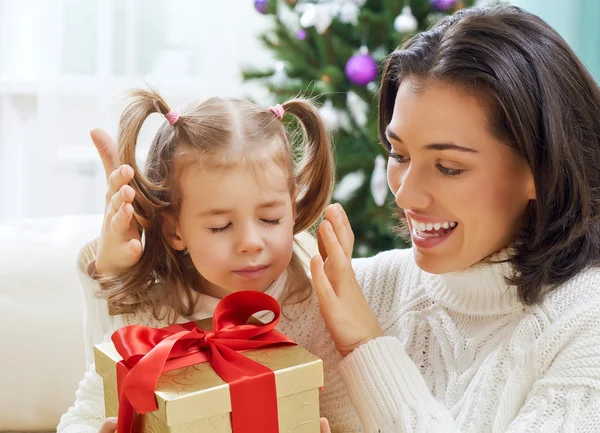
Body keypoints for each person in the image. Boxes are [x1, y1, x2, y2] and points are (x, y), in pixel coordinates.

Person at [312, 4, 600, 432]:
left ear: (540, 170)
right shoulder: (366, 288)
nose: (405, 193)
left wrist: (366, 346)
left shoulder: (584, 327)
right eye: (399, 154)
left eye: (449, 167)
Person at [57, 89, 362, 433]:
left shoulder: (311, 309)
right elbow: (82, 417)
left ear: (292, 207)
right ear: (175, 229)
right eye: (221, 226)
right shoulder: (151, 318)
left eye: (271, 219)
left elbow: (351, 417)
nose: (250, 242)